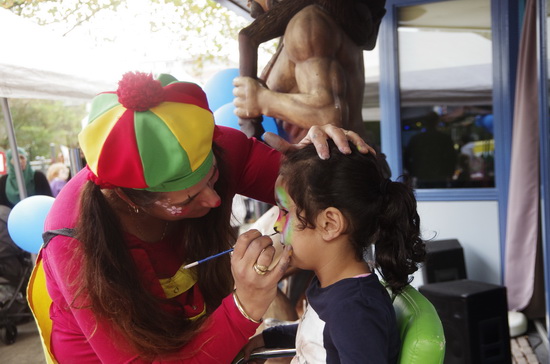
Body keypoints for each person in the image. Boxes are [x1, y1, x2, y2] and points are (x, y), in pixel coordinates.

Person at [28, 71, 373, 363]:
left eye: (213, 180)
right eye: (189, 198)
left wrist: (323, 157)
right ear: (130, 200)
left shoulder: (203, 148)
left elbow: (323, 194)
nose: (213, 199)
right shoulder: (76, 244)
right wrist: (244, 307)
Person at [241, 140, 426, 363]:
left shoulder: (356, 311)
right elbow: (321, 335)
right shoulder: (333, 289)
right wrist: (270, 339)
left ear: (330, 224)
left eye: (285, 212)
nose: (278, 225)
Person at [234, 0, 387, 143]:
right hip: (338, 162)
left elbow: (329, 114)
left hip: (326, 165)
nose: (248, 2)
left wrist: (262, 99)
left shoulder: (308, 24)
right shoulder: (323, 24)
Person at [403, 111, 457, 188]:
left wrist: (413, 172)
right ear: (437, 122)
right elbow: (452, 158)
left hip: (423, 176)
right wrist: (449, 173)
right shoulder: (444, 138)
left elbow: (406, 158)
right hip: (439, 177)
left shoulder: (416, 139)